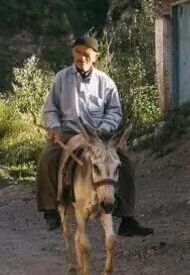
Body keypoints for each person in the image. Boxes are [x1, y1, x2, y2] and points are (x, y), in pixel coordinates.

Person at [36, 35, 154, 237]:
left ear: (96, 56)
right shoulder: (61, 78)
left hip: (99, 134)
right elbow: (50, 109)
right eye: (78, 52)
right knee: (47, 157)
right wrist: (54, 127)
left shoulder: (105, 82)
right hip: (69, 131)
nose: (82, 57)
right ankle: (50, 210)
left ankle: (127, 218)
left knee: (124, 163)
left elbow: (115, 111)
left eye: (86, 53)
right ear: (73, 53)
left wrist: (104, 128)